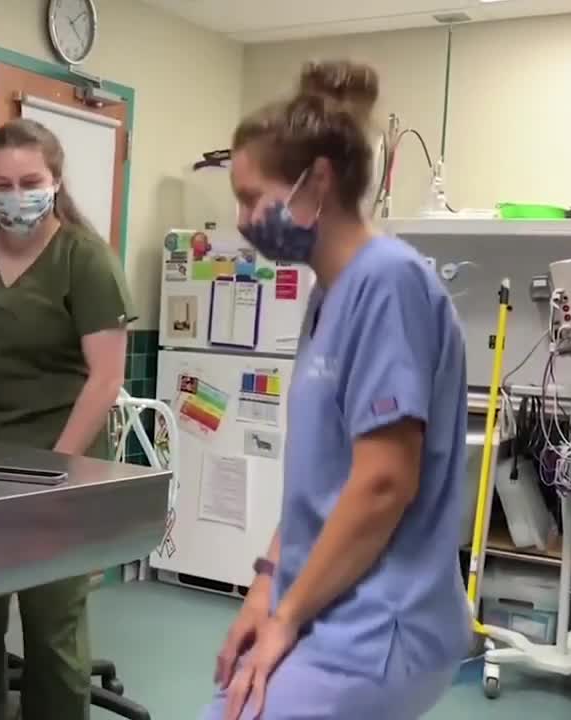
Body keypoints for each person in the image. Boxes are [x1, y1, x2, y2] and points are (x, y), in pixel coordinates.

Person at [202, 60, 471, 720]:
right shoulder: (329, 294)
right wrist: (265, 589)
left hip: (382, 621)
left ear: (317, 180)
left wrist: (287, 617)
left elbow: (382, 484)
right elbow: (320, 482)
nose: (242, 221)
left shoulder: (388, 283)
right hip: (326, 601)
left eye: (249, 196)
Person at [0, 117, 132, 720]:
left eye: (29, 180)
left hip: (65, 450)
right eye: (2, 183)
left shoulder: (85, 261)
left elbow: (106, 378)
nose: (15, 195)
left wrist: (55, 468)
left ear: (55, 181)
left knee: (51, 617)